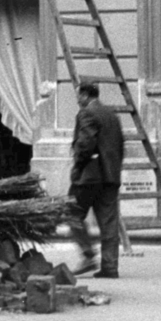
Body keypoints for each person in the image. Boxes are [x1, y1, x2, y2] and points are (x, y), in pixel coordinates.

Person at [66, 82, 123, 277]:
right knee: (108, 222)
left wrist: (77, 168)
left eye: (78, 96)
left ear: (85, 95)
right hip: (110, 176)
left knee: (71, 213)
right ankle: (110, 266)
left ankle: (88, 255)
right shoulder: (111, 114)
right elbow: (120, 146)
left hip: (89, 177)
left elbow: (85, 144)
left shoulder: (86, 113)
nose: (77, 100)